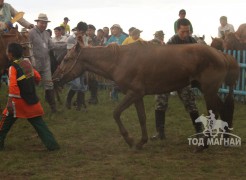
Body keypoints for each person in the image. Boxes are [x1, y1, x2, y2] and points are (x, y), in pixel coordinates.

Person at [0, 42, 60, 151]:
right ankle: (52, 145)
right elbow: (36, 76)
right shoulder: (27, 62)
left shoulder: (12, 67)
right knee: (40, 125)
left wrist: (9, 102)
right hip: (32, 101)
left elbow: (13, 86)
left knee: (4, 124)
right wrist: (34, 83)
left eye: (7, 51)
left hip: (17, 103)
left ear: (10, 54)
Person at [151, 18, 203, 140]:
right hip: (167, 78)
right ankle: (160, 132)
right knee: (160, 102)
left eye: (187, 31)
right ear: (177, 30)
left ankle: (199, 131)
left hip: (183, 79)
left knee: (191, 103)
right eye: (183, 31)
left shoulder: (192, 41)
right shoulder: (172, 42)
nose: (185, 34)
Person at [28, 13, 57, 113]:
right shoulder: (30, 33)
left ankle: (53, 108)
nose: (44, 25)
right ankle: (31, 109)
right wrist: (31, 62)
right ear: (37, 22)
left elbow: (52, 45)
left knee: (49, 85)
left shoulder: (46, 33)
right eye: (42, 23)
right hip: (34, 64)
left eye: (45, 23)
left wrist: (64, 46)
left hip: (46, 64)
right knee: (31, 86)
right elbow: (28, 48)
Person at [65, 22, 88, 111]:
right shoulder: (71, 38)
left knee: (82, 86)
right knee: (76, 85)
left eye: (84, 32)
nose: (83, 34)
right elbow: (70, 52)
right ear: (77, 30)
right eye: (81, 32)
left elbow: (85, 50)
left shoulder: (85, 37)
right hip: (73, 64)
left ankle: (79, 105)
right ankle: (68, 100)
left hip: (82, 64)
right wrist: (79, 43)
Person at [106, 24, 127, 101]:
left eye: (114, 29)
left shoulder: (124, 38)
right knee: (114, 78)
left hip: (122, 61)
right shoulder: (111, 38)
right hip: (113, 61)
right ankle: (113, 96)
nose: (113, 31)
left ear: (119, 30)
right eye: (112, 29)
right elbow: (107, 47)